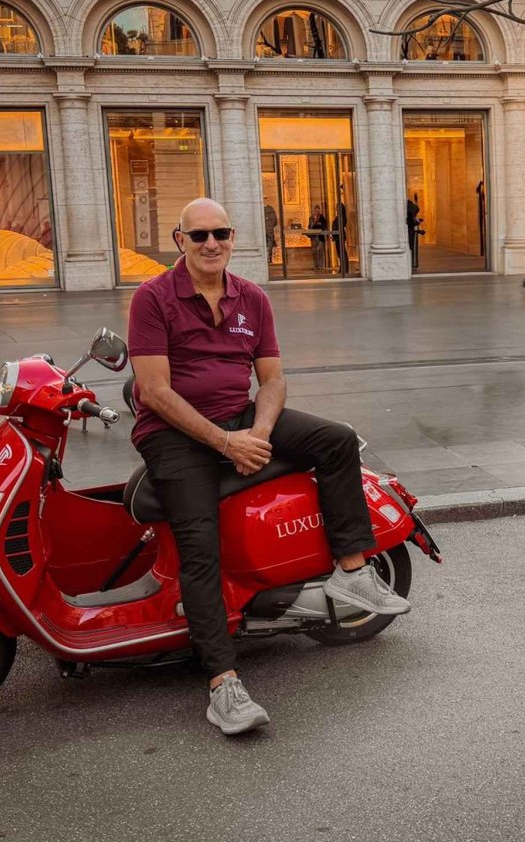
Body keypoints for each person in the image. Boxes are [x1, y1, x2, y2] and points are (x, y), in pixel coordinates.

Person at [128, 198, 410, 736]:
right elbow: (155, 392)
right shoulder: (153, 297)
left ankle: (352, 572)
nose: (212, 243)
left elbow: (273, 380)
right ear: (179, 240)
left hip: (240, 417)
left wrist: (256, 433)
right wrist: (225, 443)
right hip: (173, 436)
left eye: (222, 233)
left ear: (233, 238)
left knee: (335, 440)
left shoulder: (251, 297)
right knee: (199, 543)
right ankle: (222, 683)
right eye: (200, 235)